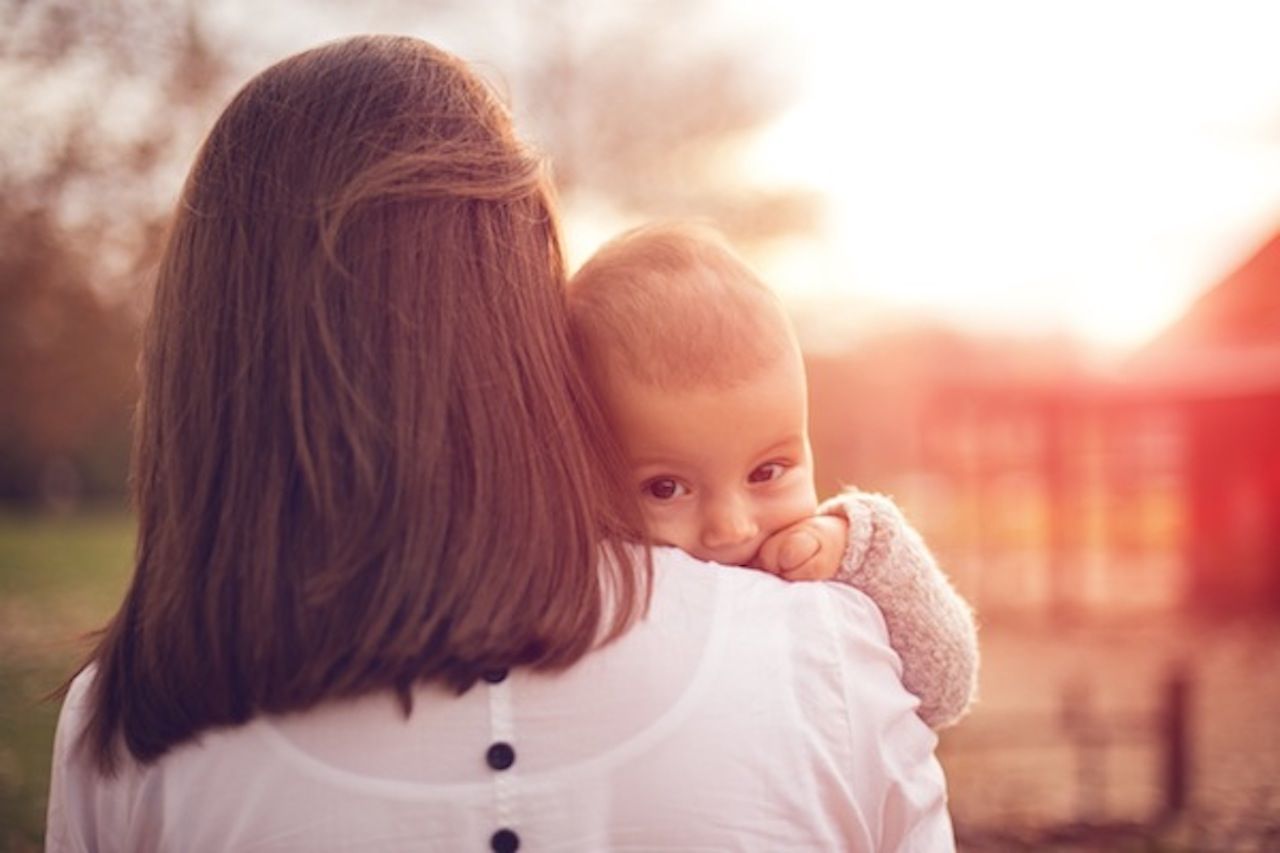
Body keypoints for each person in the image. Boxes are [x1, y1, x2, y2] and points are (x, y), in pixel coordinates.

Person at [46, 35, 956, 851]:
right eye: (670, 484)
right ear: (530, 333)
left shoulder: (125, 735)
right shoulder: (826, 655)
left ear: (202, 353)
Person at [568, 222, 978, 728]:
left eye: (767, 472)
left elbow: (946, 688)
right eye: (665, 488)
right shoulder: (583, 586)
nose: (731, 528)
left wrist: (863, 546)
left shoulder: (819, 560)